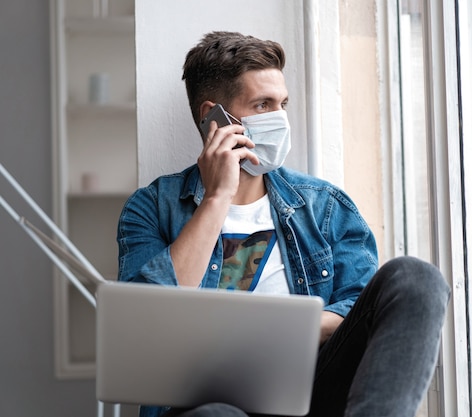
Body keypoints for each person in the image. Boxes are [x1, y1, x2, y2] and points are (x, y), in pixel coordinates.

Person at [117, 31, 450, 417]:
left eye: (282, 104)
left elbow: (360, 308)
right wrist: (216, 198)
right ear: (213, 118)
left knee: (416, 277)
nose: (279, 118)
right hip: (209, 404)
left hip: (311, 396)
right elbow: (147, 327)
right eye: (262, 105)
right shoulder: (151, 208)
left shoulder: (325, 206)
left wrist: (274, 331)